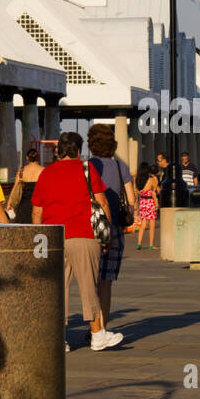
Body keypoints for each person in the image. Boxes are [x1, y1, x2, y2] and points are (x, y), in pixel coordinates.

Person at [32, 131, 122, 351]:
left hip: (53, 237)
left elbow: (37, 211)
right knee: (88, 286)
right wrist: (107, 233)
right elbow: (102, 203)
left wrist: (39, 240)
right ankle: (97, 335)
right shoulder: (87, 169)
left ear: (58, 150)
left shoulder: (46, 173)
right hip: (83, 234)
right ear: (80, 150)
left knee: (57, 288)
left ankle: (59, 339)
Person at [86, 124, 137, 325]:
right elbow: (131, 201)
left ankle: (93, 327)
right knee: (105, 283)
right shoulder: (120, 166)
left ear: (91, 144)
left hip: (90, 228)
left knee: (90, 281)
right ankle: (103, 325)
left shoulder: (88, 166)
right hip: (114, 228)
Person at [8, 146, 44, 222]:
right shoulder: (43, 171)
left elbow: (15, 188)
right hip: (38, 205)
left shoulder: (21, 171)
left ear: (27, 158)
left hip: (23, 206)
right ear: (38, 157)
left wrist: (9, 204)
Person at [134, 162, 160, 249]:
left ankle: (139, 243)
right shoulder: (152, 179)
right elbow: (155, 192)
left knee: (143, 224)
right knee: (152, 224)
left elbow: (137, 191)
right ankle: (151, 245)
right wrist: (157, 203)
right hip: (150, 202)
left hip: (142, 202)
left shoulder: (137, 180)